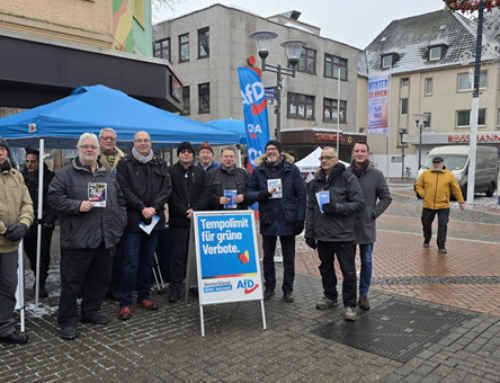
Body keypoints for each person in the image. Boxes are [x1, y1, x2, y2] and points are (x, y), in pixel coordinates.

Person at [47, 133, 127, 340]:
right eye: (85, 146)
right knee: (72, 283)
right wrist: (76, 205)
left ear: (97, 150)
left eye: (93, 146)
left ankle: (90, 312)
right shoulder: (65, 174)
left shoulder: (106, 174)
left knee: (100, 280)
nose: (90, 149)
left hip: (104, 239)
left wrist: (120, 223)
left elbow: (120, 200)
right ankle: (67, 320)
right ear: (79, 149)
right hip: (78, 240)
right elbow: (54, 198)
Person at [305, 146, 365, 321]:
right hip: (323, 234)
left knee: (348, 271)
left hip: (343, 234)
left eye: (328, 158)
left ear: (336, 159)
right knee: (326, 268)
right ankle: (330, 296)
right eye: (322, 158)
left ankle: (350, 305)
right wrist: (309, 232)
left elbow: (359, 204)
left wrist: (338, 208)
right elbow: (311, 208)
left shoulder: (348, 178)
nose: (324, 161)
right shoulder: (316, 182)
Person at [116, 131, 171, 320]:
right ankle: (125, 302)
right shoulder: (125, 163)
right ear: (133, 143)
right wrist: (141, 208)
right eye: (139, 141)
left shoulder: (160, 163)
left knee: (147, 261)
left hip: (153, 221)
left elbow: (166, 188)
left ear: (150, 143)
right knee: (130, 261)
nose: (142, 143)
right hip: (133, 221)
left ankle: (144, 296)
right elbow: (123, 188)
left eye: (146, 140)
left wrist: (154, 207)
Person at [245, 140, 306, 303]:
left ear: (280, 151)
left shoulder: (292, 170)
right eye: (268, 150)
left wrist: (300, 219)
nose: (270, 152)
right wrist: (261, 194)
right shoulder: (258, 171)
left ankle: (288, 290)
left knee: (289, 258)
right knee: (268, 257)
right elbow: (248, 194)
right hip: (268, 218)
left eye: (273, 149)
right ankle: (269, 287)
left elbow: (301, 195)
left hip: (288, 219)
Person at [348, 142, 392, 311]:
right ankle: (350, 294)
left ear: (368, 153)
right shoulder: (345, 173)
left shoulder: (376, 174)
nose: (359, 154)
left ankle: (363, 294)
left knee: (366, 261)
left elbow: (386, 197)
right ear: (353, 153)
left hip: (366, 225)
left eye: (363, 151)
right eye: (357, 151)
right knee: (348, 263)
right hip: (348, 226)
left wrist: (373, 213)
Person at [0, 137, 34, 345]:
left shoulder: (16, 176)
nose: (0, 153)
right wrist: (4, 229)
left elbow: (27, 204)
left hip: (10, 247)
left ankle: (4, 328)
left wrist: (23, 225)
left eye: (3, 149)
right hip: (6, 235)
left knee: (8, 289)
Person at [168, 141, 211, 302]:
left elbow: (206, 191)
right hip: (178, 221)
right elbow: (169, 193)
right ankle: (175, 289)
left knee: (198, 256)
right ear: (178, 154)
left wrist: (196, 209)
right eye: (183, 151)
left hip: (197, 221)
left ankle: (197, 286)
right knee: (177, 256)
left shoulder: (200, 172)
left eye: (189, 151)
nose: (186, 154)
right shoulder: (170, 171)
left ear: (193, 155)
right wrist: (184, 211)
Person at [22, 149, 58, 298]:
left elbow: (55, 200)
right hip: (26, 223)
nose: (29, 164)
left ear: (39, 162)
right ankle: (36, 272)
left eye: (33, 161)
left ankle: (40, 283)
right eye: (27, 161)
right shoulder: (20, 176)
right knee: (31, 253)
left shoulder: (49, 177)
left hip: (44, 223)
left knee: (43, 255)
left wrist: (50, 220)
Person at [415, 156, 465, 253]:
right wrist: (424, 194)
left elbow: (456, 189)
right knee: (426, 223)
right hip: (428, 205)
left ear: (443, 164)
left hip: (443, 205)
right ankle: (427, 238)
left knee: (442, 225)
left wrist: (461, 202)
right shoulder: (426, 174)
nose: (436, 164)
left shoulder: (449, 175)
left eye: (438, 163)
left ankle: (441, 244)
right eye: (434, 162)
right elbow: (418, 185)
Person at [98, 127, 125, 301]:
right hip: (99, 213)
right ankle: (99, 290)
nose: (109, 141)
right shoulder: (93, 158)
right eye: (105, 138)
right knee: (99, 257)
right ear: (99, 140)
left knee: (118, 256)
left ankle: (113, 287)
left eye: (112, 139)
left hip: (118, 213)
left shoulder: (124, 159)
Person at [207, 146, 250, 210]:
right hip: (217, 216)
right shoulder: (211, 174)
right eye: (226, 156)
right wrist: (218, 200)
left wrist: (244, 197)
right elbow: (205, 195)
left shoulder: (245, 174)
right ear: (221, 158)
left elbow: (253, 192)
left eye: (231, 156)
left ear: (235, 158)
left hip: (240, 216)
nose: (229, 159)